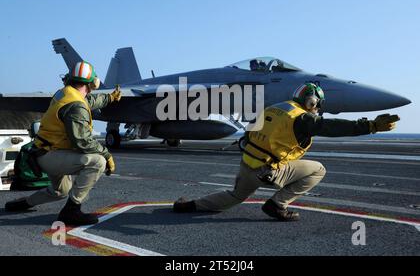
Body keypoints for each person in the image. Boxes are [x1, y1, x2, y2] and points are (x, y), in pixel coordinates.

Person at [173, 83, 400, 221]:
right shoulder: (302, 118)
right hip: (270, 170)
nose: (317, 109)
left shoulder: (274, 108)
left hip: (248, 164)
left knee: (235, 196)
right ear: (312, 102)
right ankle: (278, 204)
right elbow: (331, 126)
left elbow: (248, 134)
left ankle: (189, 205)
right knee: (318, 170)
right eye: (317, 105)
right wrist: (369, 125)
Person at [5, 61, 122, 226]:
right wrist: (106, 154)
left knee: (60, 191)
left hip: (44, 152)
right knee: (98, 162)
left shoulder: (65, 94)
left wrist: (109, 98)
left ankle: (24, 203)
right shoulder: (76, 106)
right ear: (92, 83)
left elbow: (90, 102)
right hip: (50, 155)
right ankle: (71, 211)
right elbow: (83, 141)